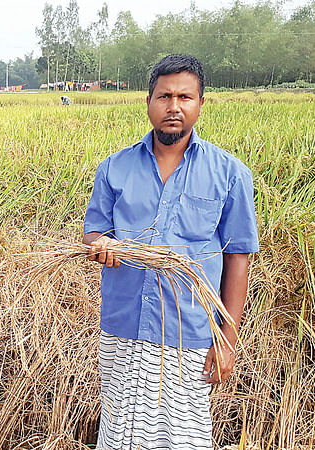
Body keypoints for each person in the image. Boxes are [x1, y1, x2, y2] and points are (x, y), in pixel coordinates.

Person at [83, 54, 259, 449]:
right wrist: (103, 245)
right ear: (148, 102)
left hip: (188, 333)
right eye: (164, 96)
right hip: (122, 328)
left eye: (185, 97)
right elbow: (94, 231)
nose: (174, 107)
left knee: (181, 439)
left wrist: (226, 339)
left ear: (200, 104)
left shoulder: (230, 173)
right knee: (119, 434)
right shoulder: (115, 168)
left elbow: (238, 257)